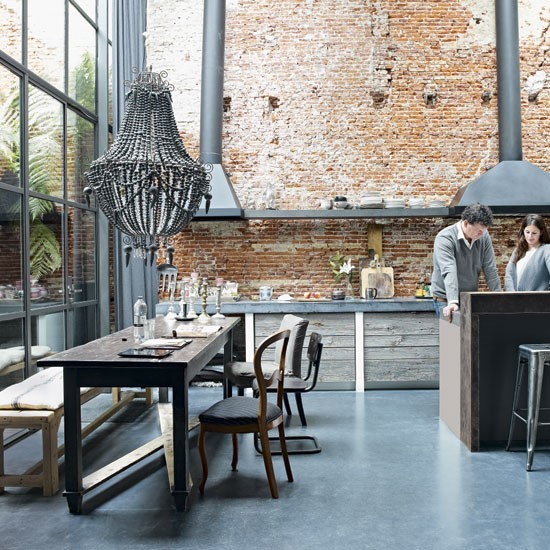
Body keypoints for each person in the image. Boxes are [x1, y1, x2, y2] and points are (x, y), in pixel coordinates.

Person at [431, 203, 501, 320]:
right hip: (446, 299)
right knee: (451, 338)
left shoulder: (483, 236)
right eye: (479, 230)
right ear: (466, 223)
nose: (482, 233)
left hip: (468, 299)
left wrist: (499, 295)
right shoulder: (445, 238)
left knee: (470, 337)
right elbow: (449, 270)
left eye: (484, 230)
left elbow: (490, 268)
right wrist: (453, 301)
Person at [504, 214, 550, 291]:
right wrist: (512, 296)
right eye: (527, 232)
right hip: (516, 300)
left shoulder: (546, 249)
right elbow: (509, 276)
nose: (530, 236)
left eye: (534, 233)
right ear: (523, 230)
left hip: (539, 300)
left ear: (541, 232)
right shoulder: (517, 251)